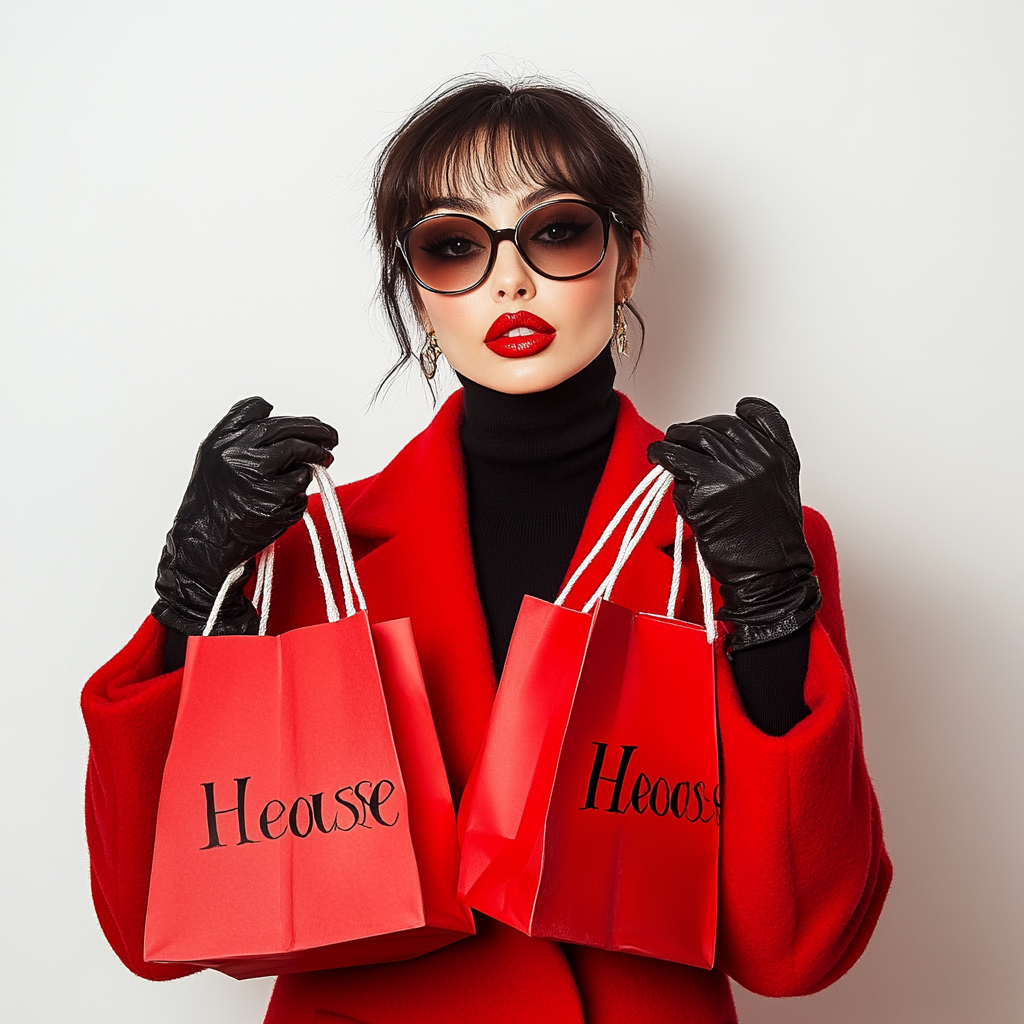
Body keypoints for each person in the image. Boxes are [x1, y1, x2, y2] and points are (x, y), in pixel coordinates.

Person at [82, 78, 891, 1024]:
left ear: (627, 260)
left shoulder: (740, 548)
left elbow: (800, 951)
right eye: (455, 244)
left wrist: (770, 604)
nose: (510, 279)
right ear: (415, 289)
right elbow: (151, 931)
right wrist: (190, 594)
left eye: (556, 232)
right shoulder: (297, 548)